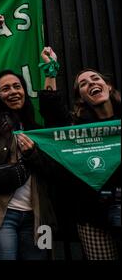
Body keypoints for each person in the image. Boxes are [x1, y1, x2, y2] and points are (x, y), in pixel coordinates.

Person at [0, 14, 56, 260]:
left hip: (38, 220)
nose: (13, 91)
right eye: (5, 88)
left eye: (17, 87)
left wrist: (50, 72)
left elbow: (54, 167)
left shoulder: (35, 128)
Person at [39, 48, 121, 260]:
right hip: (92, 217)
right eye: (83, 84)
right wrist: (50, 71)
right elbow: (53, 117)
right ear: (81, 98)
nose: (91, 83)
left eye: (95, 78)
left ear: (108, 87)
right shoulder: (77, 129)